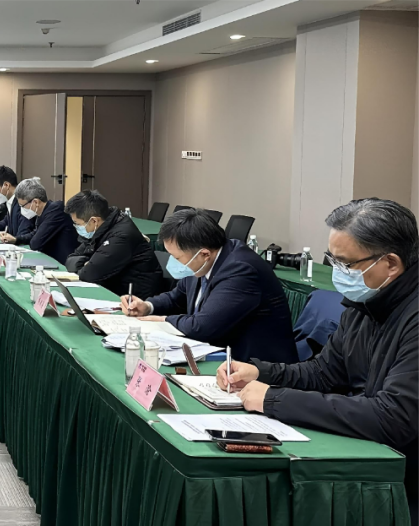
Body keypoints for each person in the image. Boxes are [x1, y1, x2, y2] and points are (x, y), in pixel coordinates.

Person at [216, 199, 419, 519]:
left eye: (346, 264)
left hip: (401, 483)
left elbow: (393, 418)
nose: (338, 273)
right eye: (332, 260)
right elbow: (325, 372)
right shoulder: (366, 302)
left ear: (390, 263)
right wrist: (261, 373)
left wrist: (274, 399)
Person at [122, 208, 297, 363]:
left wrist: (164, 321)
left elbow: (203, 327)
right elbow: (176, 297)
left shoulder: (240, 270)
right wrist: (148, 306)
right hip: (219, 353)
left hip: (256, 367)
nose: (174, 262)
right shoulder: (202, 262)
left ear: (204, 254)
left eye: (177, 258)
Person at [64, 190, 167, 298]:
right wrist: (87, 262)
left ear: (94, 221)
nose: (76, 227)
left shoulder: (121, 236)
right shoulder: (100, 229)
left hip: (135, 299)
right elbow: (71, 259)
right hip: (116, 290)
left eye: (77, 223)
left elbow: (88, 275)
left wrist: (89, 263)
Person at [15, 178, 79, 263]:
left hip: (64, 264)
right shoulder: (44, 212)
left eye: (22, 206)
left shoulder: (56, 210)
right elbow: (36, 233)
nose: (22, 209)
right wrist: (16, 239)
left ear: (36, 202)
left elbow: (35, 243)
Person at [0, 166, 32, 244]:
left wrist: (14, 239)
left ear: (6, 185)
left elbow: (23, 233)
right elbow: (7, 221)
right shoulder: (11, 201)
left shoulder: (23, 203)